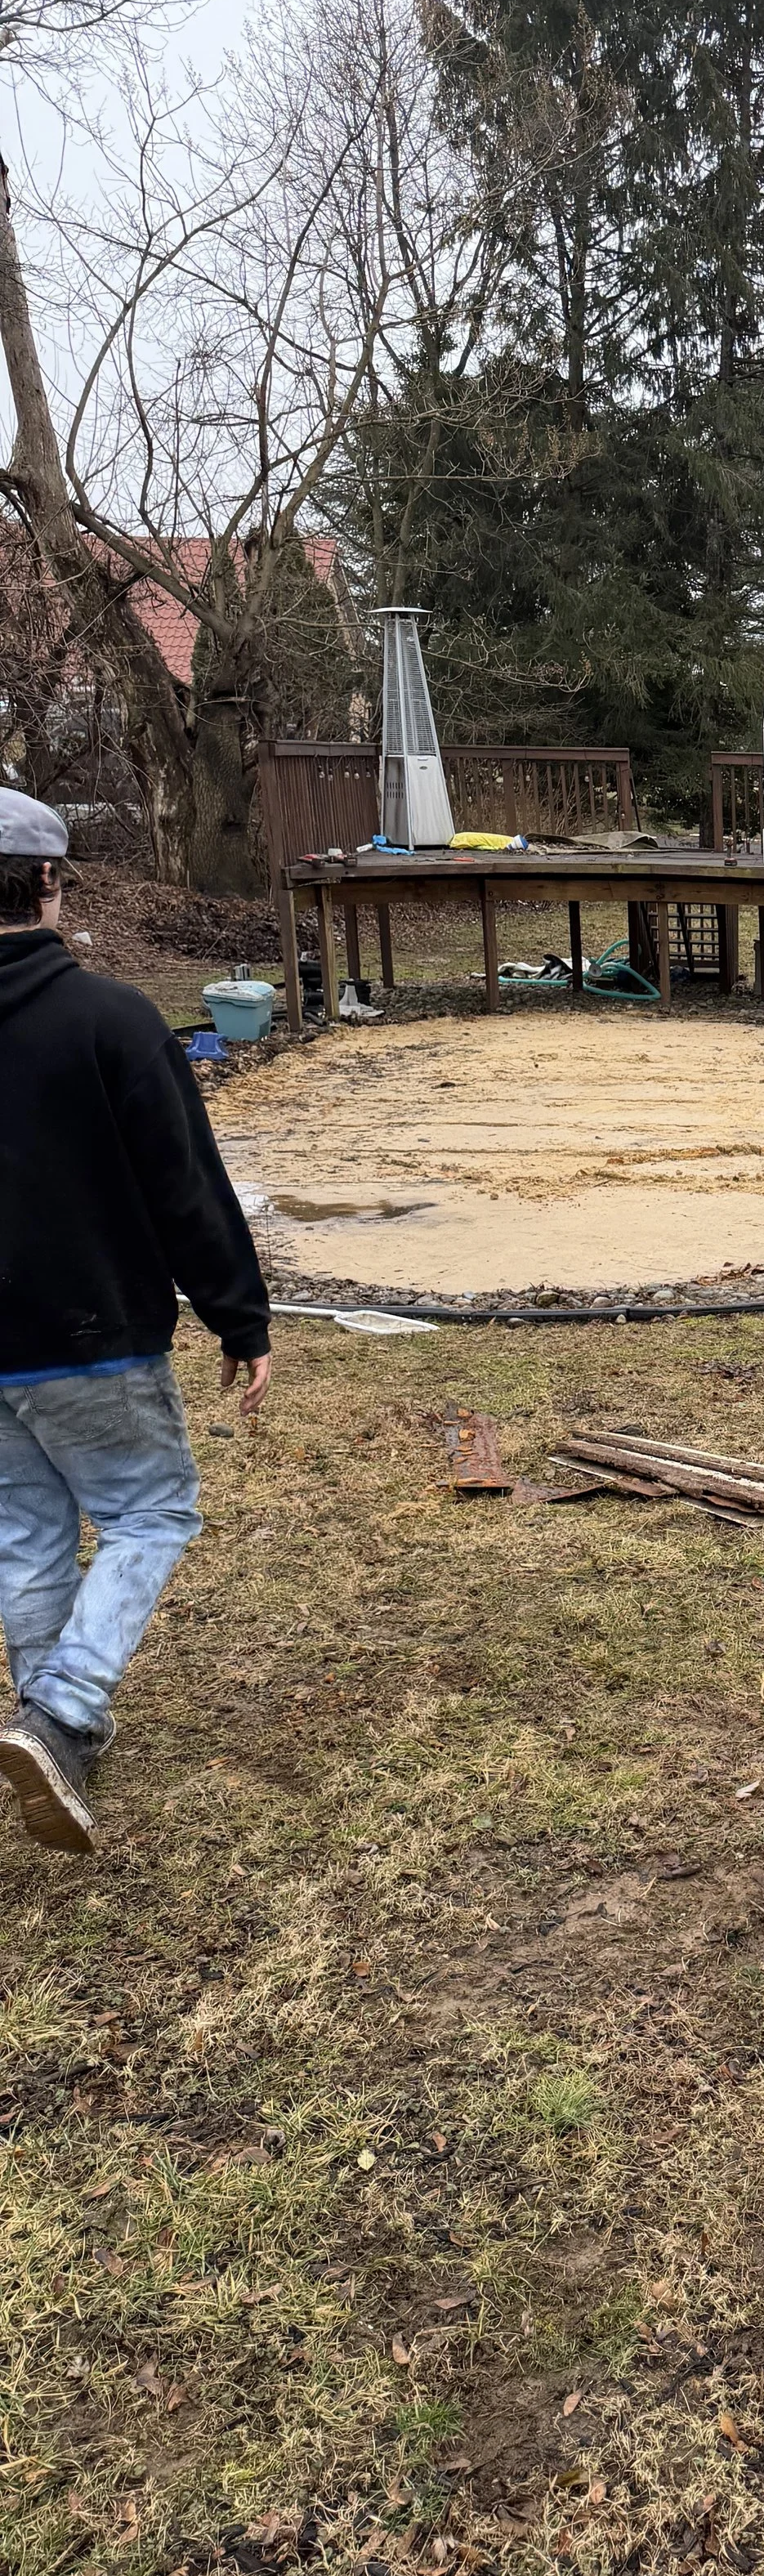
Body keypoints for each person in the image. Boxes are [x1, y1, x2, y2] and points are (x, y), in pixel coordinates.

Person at [0, 790, 271, 1853]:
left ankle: (51, 1728)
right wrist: (239, 1320)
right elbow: (186, 1193)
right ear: (55, 884)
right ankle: (62, 1713)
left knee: (25, 1530)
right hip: (94, 1333)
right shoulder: (113, 1023)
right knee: (150, 1514)